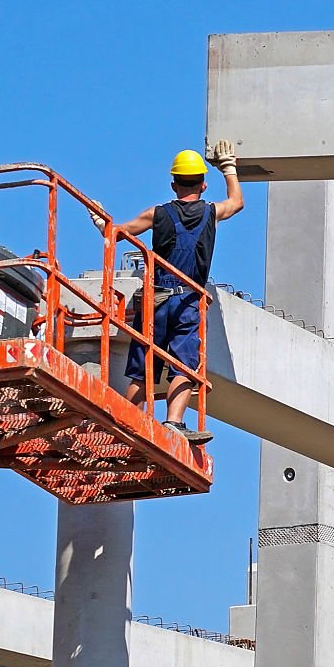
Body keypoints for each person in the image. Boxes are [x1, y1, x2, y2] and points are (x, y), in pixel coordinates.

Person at [88, 140, 243, 444]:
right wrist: (229, 168)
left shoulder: (157, 214)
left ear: (173, 185)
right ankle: (174, 422)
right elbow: (236, 202)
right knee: (185, 363)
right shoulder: (210, 213)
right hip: (188, 299)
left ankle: (128, 420)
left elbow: (117, 233)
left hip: (155, 298)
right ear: (203, 183)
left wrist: (99, 219)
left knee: (143, 365)